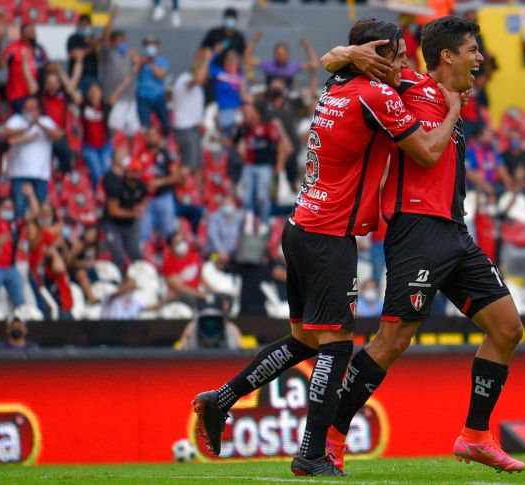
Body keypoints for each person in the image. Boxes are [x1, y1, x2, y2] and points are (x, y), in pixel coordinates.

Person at [192, 18, 462, 477]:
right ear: (374, 56)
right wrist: (452, 108)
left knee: (303, 340)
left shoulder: (340, 84)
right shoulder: (377, 96)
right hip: (330, 235)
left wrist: (348, 55)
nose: (402, 65)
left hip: (300, 226)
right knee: (336, 347)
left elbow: (332, 60)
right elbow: (429, 152)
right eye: (396, 56)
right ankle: (312, 453)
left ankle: (221, 399)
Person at [321, 16, 525, 475]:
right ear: (447, 55)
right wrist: (350, 54)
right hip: (415, 229)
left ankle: (474, 436)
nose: (479, 58)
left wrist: (454, 103)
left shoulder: (452, 96)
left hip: (454, 231)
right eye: (472, 49)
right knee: (394, 339)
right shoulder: (407, 80)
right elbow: (332, 60)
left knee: (508, 328)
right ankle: (331, 439)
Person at [0, 95, 64, 219]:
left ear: (39, 110)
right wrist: (27, 127)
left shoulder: (46, 121)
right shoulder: (16, 120)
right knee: (19, 210)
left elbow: (59, 135)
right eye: (27, 108)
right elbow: (3, 134)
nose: (29, 111)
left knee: (40, 211)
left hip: (40, 174)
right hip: (19, 173)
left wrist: (38, 122)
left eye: (32, 108)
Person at [235, 102, 293, 234]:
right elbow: (238, 145)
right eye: (245, 113)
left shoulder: (266, 127)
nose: (246, 115)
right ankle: (249, 221)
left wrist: (279, 164)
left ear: (256, 113)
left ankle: (263, 222)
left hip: (264, 167)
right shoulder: (244, 129)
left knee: (262, 196)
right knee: (246, 196)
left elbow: (281, 145)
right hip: (249, 166)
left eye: (249, 112)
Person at [100, 6, 141, 151]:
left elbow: (138, 67)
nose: (122, 43)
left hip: (130, 99)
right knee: (115, 134)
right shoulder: (109, 53)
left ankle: (131, 161)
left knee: (133, 133)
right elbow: (104, 37)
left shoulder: (127, 56)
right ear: (113, 42)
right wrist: (112, 18)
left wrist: (136, 61)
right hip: (114, 99)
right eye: (119, 40)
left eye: (124, 40)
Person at [101, 152, 148, 271]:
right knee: (118, 255)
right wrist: (133, 214)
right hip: (112, 224)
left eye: (138, 171)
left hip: (129, 224)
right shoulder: (117, 185)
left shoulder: (141, 186)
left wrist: (141, 207)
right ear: (128, 172)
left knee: (136, 255)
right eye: (133, 171)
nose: (136, 175)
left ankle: (137, 279)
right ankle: (117, 280)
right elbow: (113, 211)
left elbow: (145, 198)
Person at [173, 49, 211, 191]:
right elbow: (199, 78)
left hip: (193, 130)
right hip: (186, 129)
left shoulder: (197, 86)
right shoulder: (184, 79)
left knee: (197, 167)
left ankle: (197, 198)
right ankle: (183, 195)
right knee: (188, 166)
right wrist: (206, 60)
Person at [138, 126, 182, 244]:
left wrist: (160, 182)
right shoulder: (140, 154)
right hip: (145, 199)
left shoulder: (167, 154)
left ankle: (168, 259)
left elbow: (177, 177)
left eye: (154, 135)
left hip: (164, 197)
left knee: (169, 232)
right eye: (149, 135)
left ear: (159, 137)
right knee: (143, 234)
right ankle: (145, 260)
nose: (151, 138)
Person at [40, 64, 82, 175]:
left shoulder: (64, 96)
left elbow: (73, 91)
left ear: (59, 84)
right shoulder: (40, 98)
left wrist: (60, 71)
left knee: (67, 161)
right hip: (44, 137)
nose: (52, 86)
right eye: (49, 83)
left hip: (61, 136)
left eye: (54, 83)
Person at [243, 32, 319, 89]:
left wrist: (307, 47)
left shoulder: (292, 67)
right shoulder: (269, 66)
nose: (281, 56)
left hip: (287, 98)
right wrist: (253, 41)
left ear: (287, 55)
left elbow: (314, 64)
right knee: (247, 68)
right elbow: (247, 60)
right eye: (278, 53)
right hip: (269, 97)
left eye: (283, 53)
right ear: (274, 54)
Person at [137, 35, 171, 135]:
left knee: (166, 125)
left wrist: (151, 63)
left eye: (152, 45)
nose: (150, 47)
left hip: (158, 97)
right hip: (143, 97)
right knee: (145, 126)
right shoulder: (140, 60)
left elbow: (160, 75)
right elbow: (134, 72)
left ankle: (164, 144)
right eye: (147, 45)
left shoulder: (162, 61)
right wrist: (141, 62)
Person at [210, 49, 247, 138]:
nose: (231, 61)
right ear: (224, 61)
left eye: (233, 58)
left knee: (238, 139)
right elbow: (209, 66)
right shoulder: (219, 72)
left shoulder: (241, 75)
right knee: (224, 139)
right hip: (223, 111)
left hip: (238, 111)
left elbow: (244, 95)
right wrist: (216, 53)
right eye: (228, 58)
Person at [162, 232, 206, 306]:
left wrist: (213, 291)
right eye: (177, 242)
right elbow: (179, 287)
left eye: (182, 241)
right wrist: (199, 294)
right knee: (190, 296)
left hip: (197, 292)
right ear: (170, 247)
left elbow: (201, 278)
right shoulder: (168, 263)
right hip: (181, 296)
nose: (181, 244)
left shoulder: (193, 256)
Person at [66, 14, 100, 96]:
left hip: (93, 76)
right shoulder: (73, 38)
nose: (84, 26)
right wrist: (91, 47)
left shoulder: (94, 38)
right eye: (82, 23)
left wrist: (95, 44)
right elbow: (75, 54)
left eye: (86, 24)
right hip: (77, 79)